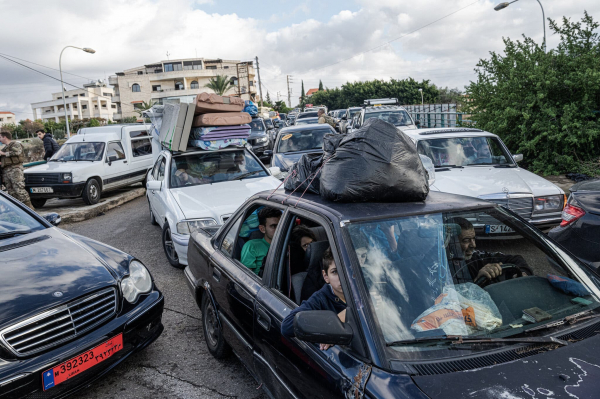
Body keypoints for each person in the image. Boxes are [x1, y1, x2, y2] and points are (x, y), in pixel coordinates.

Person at [281, 247, 347, 350]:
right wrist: (334, 323)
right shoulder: (320, 299)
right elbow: (287, 326)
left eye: (346, 269)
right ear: (326, 276)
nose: (342, 277)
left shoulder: (369, 290)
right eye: (335, 272)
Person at [450, 217, 532, 284]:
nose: (473, 245)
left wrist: (522, 273)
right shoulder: (441, 269)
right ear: (450, 242)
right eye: (466, 240)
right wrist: (478, 280)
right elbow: (450, 299)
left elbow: (516, 259)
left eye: (474, 239)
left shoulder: (477, 257)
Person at [241, 207, 282, 275]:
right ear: (262, 229)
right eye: (273, 226)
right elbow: (246, 276)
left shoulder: (288, 245)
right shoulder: (252, 246)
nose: (279, 229)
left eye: (280, 225)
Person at [0, 132, 33, 209]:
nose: (0, 139)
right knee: (11, 191)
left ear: (5, 137)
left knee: (19, 189)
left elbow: (17, 152)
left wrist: (3, 153)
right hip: (6, 171)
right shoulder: (5, 148)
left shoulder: (15, 144)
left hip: (15, 169)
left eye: (0, 137)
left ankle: (29, 209)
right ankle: (18, 209)